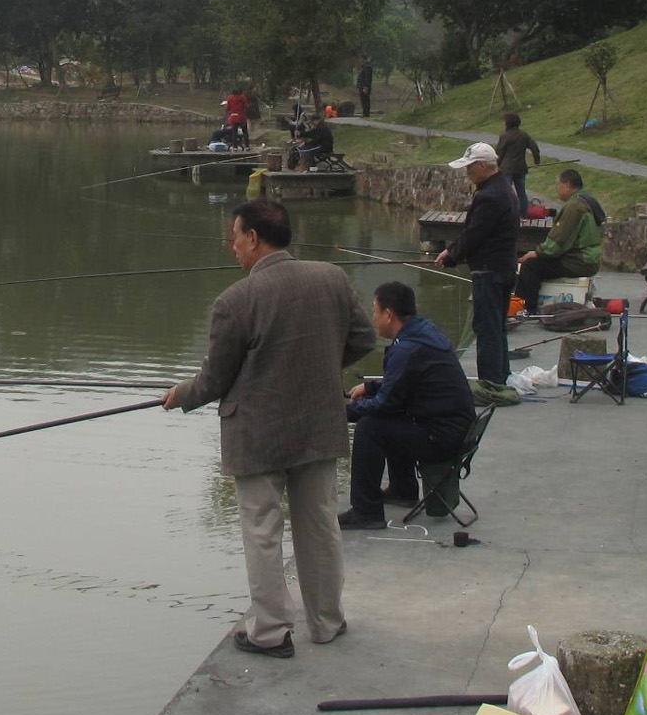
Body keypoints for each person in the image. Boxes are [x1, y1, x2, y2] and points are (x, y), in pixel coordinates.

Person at [165, 198, 374, 657]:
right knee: (319, 524)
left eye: (235, 239)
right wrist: (319, 367)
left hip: (257, 433)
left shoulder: (235, 301)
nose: (233, 249)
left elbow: (216, 379)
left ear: (254, 238)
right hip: (319, 423)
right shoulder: (332, 279)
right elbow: (363, 338)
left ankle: (271, 631)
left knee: (262, 528)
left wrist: (182, 395)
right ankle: (326, 621)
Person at [338, 282, 474, 530]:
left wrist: (339, 414)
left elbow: (384, 404)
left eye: (375, 311)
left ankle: (366, 511)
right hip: (459, 428)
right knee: (392, 416)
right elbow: (405, 383)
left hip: (443, 436)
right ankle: (402, 489)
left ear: (388, 314)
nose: (373, 317)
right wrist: (369, 388)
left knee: (370, 427)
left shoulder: (407, 348)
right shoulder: (423, 330)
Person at [434, 142, 520, 387]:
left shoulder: (489, 196)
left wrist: (451, 255)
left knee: (486, 329)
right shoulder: (505, 187)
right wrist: (451, 250)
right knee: (496, 326)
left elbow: (475, 233)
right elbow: (476, 231)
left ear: (483, 166)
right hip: (504, 267)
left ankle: (491, 383)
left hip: (490, 271)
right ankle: (501, 377)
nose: (467, 173)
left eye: (470, 168)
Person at [515, 168, 604, 315]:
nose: (558, 190)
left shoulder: (574, 207)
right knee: (539, 263)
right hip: (589, 258)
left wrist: (537, 252)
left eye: (559, 186)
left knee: (531, 266)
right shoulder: (587, 200)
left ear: (567, 185)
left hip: (580, 261)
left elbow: (557, 243)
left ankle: (526, 309)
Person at [496, 112, 541, 204]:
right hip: (520, 168)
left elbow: (500, 153)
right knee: (521, 193)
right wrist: (537, 162)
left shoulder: (504, 136)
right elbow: (535, 148)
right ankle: (523, 215)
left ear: (508, 123)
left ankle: (508, 213)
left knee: (506, 193)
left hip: (506, 169)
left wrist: (496, 166)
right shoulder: (524, 135)